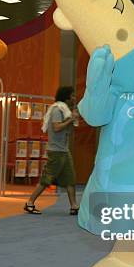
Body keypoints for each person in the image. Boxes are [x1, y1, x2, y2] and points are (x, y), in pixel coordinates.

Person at [24, 86, 80, 215]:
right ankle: (30, 203)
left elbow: (68, 131)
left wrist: (73, 119)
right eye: (72, 96)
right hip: (56, 151)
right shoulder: (57, 110)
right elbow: (56, 127)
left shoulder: (66, 111)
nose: (74, 98)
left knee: (70, 179)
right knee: (46, 180)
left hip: (64, 151)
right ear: (66, 97)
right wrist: (71, 118)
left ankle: (74, 206)